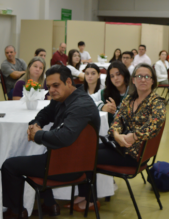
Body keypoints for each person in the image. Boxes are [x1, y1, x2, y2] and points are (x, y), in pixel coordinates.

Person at [1, 65, 100, 219]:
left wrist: (37, 135)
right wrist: (36, 124)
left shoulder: (81, 104)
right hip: (63, 160)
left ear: (68, 82)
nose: (52, 90)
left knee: (9, 166)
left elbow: (63, 137)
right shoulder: (64, 97)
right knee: (33, 155)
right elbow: (45, 113)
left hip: (69, 167)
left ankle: (16, 212)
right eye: (49, 86)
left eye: (56, 85)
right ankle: (48, 202)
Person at [70, 63, 166, 211]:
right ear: (133, 80)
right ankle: (84, 195)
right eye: (139, 76)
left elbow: (154, 124)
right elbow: (117, 120)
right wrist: (116, 134)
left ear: (153, 81)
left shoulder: (157, 102)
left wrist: (132, 137)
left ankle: (89, 200)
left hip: (134, 154)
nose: (143, 80)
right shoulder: (130, 100)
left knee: (87, 155)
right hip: (121, 146)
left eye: (147, 76)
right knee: (86, 149)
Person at [91, 62, 130, 126]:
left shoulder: (133, 92)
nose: (115, 78)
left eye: (118, 74)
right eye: (112, 76)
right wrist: (102, 107)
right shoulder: (106, 92)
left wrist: (116, 112)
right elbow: (86, 100)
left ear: (125, 74)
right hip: (108, 133)